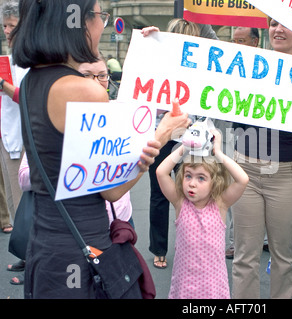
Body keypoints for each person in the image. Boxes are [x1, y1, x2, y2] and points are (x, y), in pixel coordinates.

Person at [11, 0, 189, 299]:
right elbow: (112, 191)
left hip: (45, 244)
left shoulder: (31, 81)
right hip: (83, 242)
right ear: (78, 22)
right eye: (100, 16)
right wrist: (164, 132)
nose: (101, 25)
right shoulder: (83, 90)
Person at [231, 18, 292, 299]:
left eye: (287, 24)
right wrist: (159, 44)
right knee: (245, 257)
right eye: (273, 23)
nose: (278, 29)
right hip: (245, 169)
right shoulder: (247, 62)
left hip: (287, 175)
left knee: (284, 256)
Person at [156, 128, 249, 298]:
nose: (192, 183)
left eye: (201, 178)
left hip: (213, 289)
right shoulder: (180, 203)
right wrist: (185, 146)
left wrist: (219, 154)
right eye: (188, 176)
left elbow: (243, 179)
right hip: (184, 287)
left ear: (215, 183)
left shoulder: (220, 204)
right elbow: (161, 172)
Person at [141, 19, 201, 269]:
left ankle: (181, 247)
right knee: (163, 195)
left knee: (193, 194)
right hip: (164, 136)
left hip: (190, 137)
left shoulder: (201, 67)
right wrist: (148, 42)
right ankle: (160, 247)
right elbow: (140, 72)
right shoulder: (157, 63)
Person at [226, 26, 261, 260]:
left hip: (270, 144)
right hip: (238, 140)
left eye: (242, 40)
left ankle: (259, 240)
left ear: (255, 42)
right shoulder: (229, 65)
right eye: (234, 40)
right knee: (236, 192)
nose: (236, 45)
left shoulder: (266, 66)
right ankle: (233, 241)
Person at [0, 0, 27, 233]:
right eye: (4, 26)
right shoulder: (10, 58)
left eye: (11, 25)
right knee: (12, 199)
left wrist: (2, 84)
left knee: (22, 203)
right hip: (7, 135)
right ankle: (24, 251)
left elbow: (27, 98)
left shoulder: (31, 59)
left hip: (23, 139)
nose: (6, 30)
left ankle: (31, 257)